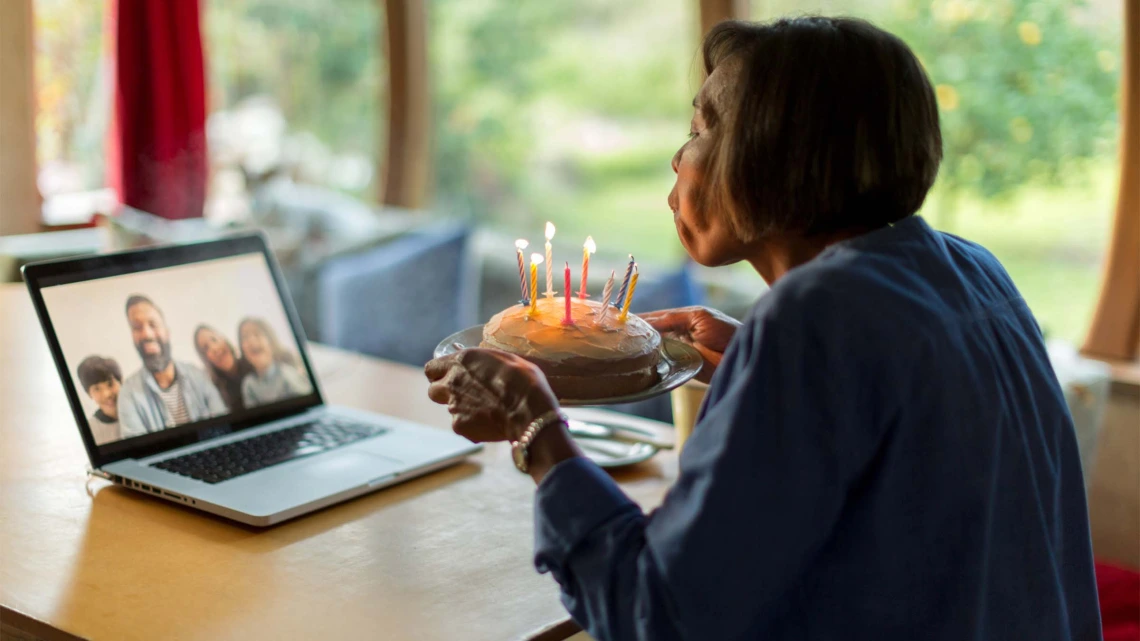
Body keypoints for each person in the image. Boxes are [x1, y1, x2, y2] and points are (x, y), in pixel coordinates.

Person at [424, 17, 1100, 641]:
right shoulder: (973, 272)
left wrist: (537, 427)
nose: (678, 157)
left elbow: (659, 614)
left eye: (701, 128)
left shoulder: (815, 318)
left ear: (775, 150)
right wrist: (755, 359)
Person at [117, 295, 227, 437]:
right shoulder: (128, 394)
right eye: (137, 327)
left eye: (153, 324)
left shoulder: (198, 376)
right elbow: (137, 450)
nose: (147, 334)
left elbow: (223, 426)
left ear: (167, 332)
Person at [237, 317, 312, 407]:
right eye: (245, 337)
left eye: (257, 334)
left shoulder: (286, 373)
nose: (251, 341)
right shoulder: (249, 384)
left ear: (271, 342)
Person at [194, 324, 254, 412]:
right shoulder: (214, 393)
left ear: (223, 339)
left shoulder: (252, 363)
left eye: (214, 339)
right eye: (206, 348)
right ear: (206, 359)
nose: (214, 348)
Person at [76, 355, 123, 444]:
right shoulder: (89, 430)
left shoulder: (140, 412)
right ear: (89, 394)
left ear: (121, 382)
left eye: (110, 384)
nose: (107, 394)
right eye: (97, 389)